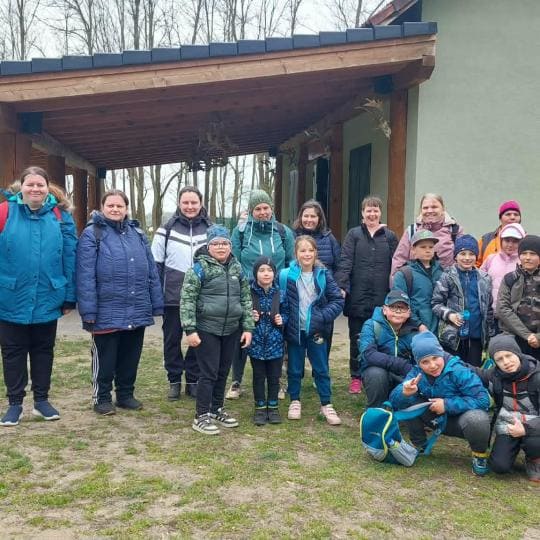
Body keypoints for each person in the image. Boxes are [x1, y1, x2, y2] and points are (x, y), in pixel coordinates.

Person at [0, 167, 77, 426]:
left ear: (47, 187)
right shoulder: (4, 212)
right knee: (12, 352)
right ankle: (15, 404)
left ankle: (41, 401)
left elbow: (70, 256)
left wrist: (70, 295)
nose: (35, 189)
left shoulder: (60, 216)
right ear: (21, 187)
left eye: (40, 185)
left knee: (44, 350)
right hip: (10, 296)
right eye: (30, 184)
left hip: (47, 296)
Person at [77, 190, 164, 415]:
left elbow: (151, 270)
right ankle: (102, 398)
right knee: (105, 359)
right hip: (106, 309)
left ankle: (125, 395)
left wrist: (156, 303)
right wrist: (88, 311)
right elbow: (85, 275)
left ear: (126, 209)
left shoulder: (137, 234)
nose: (115, 209)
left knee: (130, 356)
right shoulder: (92, 234)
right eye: (111, 205)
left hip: (136, 307)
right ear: (102, 207)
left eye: (120, 206)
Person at [180, 225, 254, 435]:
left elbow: (246, 299)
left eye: (225, 243)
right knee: (209, 373)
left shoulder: (238, 269)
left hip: (231, 329)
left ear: (230, 246)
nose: (221, 247)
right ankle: (201, 415)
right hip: (207, 328)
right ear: (208, 246)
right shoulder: (198, 269)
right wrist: (190, 329)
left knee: (223, 371)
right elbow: (187, 300)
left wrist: (248, 327)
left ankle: (216, 408)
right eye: (216, 244)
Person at [389, 332, 491, 476]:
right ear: (418, 363)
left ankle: (479, 455)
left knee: (478, 419)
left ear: (441, 353)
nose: (432, 365)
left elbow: (483, 400)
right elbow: (394, 401)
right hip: (434, 417)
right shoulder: (417, 373)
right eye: (425, 362)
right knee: (407, 399)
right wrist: (404, 392)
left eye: (435, 358)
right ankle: (419, 444)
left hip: (462, 421)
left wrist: (447, 405)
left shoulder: (458, 370)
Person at [227, 189, 295, 399]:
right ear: (251, 211)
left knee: (278, 334)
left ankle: (279, 380)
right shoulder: (240, 232)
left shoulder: (283, 232)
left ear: (271, 208)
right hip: (249, 291)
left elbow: (291, 261)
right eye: (258, 209)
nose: (263, 212)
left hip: (276, 292)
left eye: (266, 207)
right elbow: (234, 262)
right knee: (244, 333)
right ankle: (236, 381)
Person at [151, 186, 212, 401]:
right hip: (172, 298)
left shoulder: (211, 229)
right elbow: (155, 265)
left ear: (201, 203)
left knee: (199, 340)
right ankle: (174, 380)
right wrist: (157, 296)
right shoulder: (166, 229)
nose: (190, 206)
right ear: (179, 203)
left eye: (194, 202)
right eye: (185, 202)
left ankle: (193, 380)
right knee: (172, 340)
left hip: (202, 298)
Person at [334, 196, 398, 394]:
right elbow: (345, 261)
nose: (372, 214)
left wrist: (396, 293)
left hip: (382, 298)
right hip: (357, 298)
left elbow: (396, 265)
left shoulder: (389, 237)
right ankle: (356, 376)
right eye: (368, 210)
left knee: (382, 338)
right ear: (362, 213)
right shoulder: (354, 235)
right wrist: (341, 286)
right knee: (357, 338)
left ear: (380, 213)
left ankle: (379, 375)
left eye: (375, 210)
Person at [280, 236, 344, 425]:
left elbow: (337, 300)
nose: (307, 254)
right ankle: (295, 400)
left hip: (317, 330)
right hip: (295, 330)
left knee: (321, 367)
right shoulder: (286, 275)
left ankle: (326, 403)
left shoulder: (324, 274)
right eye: (302, 250)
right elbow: (281, 299)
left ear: (316, 252)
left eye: (310, 250)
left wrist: (322, 317)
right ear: (296, 253)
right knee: (294, 368)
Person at [478, 335, 540, 482]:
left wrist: (525, 429)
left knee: (534, 443)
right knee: (499, 466)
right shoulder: (494, 375)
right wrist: (444, 357)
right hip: (509, 425)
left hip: (534, 426)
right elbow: (473, 371)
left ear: (518, 353)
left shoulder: (537, 376)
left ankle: (534, 458)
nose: (506, 362)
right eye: (499, 359)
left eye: (509, 355)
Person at [432, 235, 494, 367]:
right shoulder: (447, 276)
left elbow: (488, 310)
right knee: (454, 369)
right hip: (453, 337)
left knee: (474, 370)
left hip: (477, 336)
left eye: (471, 254)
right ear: (456, 256)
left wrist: (489, 335)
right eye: (463, 254)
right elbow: (436, 303)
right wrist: (449, 315)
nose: (467, 258)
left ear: (476, 256)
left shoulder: (485, 278)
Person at [293, 199, 340, 363]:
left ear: (319, 219)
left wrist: (339, 287)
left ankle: (320, 370)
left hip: (323, 298)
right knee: (297, 340)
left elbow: (339, 264)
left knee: (322, 338)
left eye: (313, 216)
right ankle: (296, 371)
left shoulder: (329, 238)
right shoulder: (292, 236)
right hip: (299, 296)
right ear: (300, 217)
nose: (309, 220)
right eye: (306, 216)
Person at [358, 291, 418, 407]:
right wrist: (402, 365)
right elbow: (368, 354)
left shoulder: (414, 331)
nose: (398, 311)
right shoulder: (371, 325)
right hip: (378, 372)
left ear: (409, 313)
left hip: (404, 375)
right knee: (376, 374)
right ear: (384, 309)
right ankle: (376, 410)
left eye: (402, 308)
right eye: (393, 307)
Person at [248, 256, 288, 425]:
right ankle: (259, 407)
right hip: (256, 343)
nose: (266, 274)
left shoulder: (281, 294)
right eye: (262, 270)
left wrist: (282, 319)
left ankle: (273, 407)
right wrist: (250, 317)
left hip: (275, 344)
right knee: (258, 376)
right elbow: (242, 313)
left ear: (274, 273)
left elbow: (287, 313)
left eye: (270, 270)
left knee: (274, 377)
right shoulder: (249, 293)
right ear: (255, 274)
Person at [391, 193, 463, 275]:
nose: (429, 211)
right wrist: (397, 282)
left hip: (447, 281)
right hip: (416, 282)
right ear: (421, 210)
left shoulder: (455, 231)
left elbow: (463, 260)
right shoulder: (412, 231)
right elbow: (399, 260)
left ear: (443, 209)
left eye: (434, 207)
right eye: (425, 208)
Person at [497, 235, 540, 360]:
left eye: (533, 254)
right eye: (524, 253)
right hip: (515, 337)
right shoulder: (510, 279)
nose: (527, 257)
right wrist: (527, 335)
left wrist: (538, 337)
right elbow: (503, 309)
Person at [393, 230, 443, 333]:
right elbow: (400, 304)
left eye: (431, 247)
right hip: (413, 330)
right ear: (413, 249)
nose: (427, 250)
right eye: (423, 247)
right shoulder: (404, 274)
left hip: (439, 329)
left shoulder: (442, 272)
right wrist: (419, 325)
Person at [480, 223, 526, 313]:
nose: (510, 245)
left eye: (515, 241)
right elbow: (480, 281)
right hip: (490, 312)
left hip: (513, 314)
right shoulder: (491, 259)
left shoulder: (523, 263)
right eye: (507, 240)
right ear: (501, 241)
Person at [477, 200, 522, 267]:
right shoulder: (486, 240)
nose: (512, 217)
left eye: (516, 214)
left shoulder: (528, 241)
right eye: (508, 214)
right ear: (500, 218)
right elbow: (476, 264)